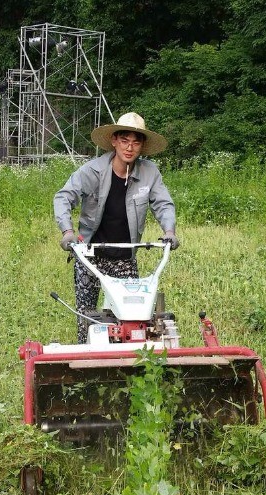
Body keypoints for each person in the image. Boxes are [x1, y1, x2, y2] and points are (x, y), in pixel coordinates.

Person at [53, 112, 178, 343]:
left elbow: (163, 203)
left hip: (124, 256)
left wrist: (169, 232)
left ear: (142, 146)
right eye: (124, 141)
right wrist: (68, 232)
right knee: (87, 315)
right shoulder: (92, 171)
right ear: (114, 141)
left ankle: (131, 365)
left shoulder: (150, 173)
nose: (129, 148)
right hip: (90, 255)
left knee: (134, 318)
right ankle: (87, 360)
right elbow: (63, 197)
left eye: (136, 142)